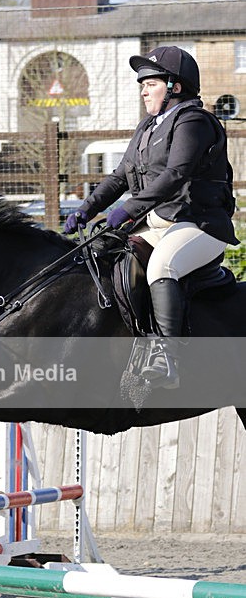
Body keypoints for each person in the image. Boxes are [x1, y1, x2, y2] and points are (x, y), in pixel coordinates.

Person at [64, 46, 237, 389]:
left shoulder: (194, 121)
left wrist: (127, 209)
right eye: (142, 85)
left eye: (151, 84)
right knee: (105, 257)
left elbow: (176, 174)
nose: (143, 91)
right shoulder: (147, 127)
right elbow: (119, 176)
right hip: (158, 225)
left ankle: (167, 359)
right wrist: (86, 208)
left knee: (162, 267)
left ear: (175, 86)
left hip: (200, 226)